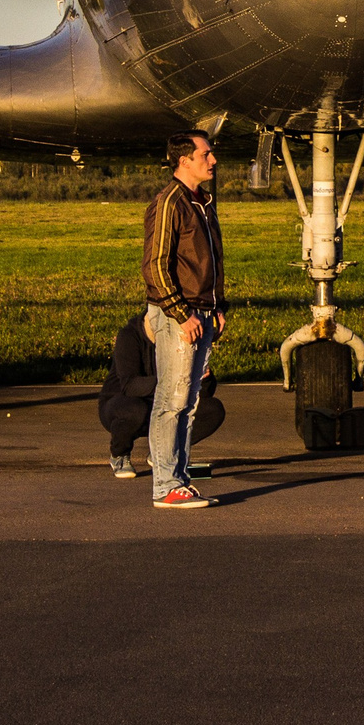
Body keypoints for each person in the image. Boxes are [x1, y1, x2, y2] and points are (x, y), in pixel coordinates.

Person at [139, 129, 225, 511]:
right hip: (180, 313)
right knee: (171, 400)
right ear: (184, 159)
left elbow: (210, 261)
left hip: (201, 311)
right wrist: (180, 312)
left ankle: (180, 479)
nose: (213, 160)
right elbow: (155, 265)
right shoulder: (169, 202)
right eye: (205, 154)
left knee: (188, 402)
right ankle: (164, 486)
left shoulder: (201, 202)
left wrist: (217, 307)